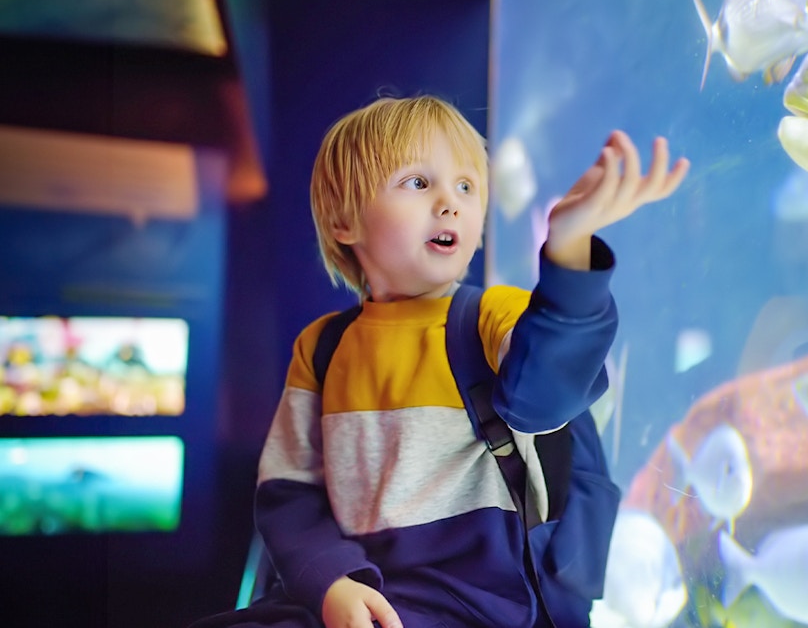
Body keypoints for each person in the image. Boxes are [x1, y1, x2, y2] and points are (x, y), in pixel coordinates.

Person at [189, 94, 688, 628]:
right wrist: (331, 581)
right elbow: (290, 493)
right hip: (367, 592)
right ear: (343, 223)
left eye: (466, 186)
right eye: (418, 182)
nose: (450, 201)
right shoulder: (322, 348)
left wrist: (568, 249)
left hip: (489, 601)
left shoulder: (494, 313)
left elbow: (547, 396)